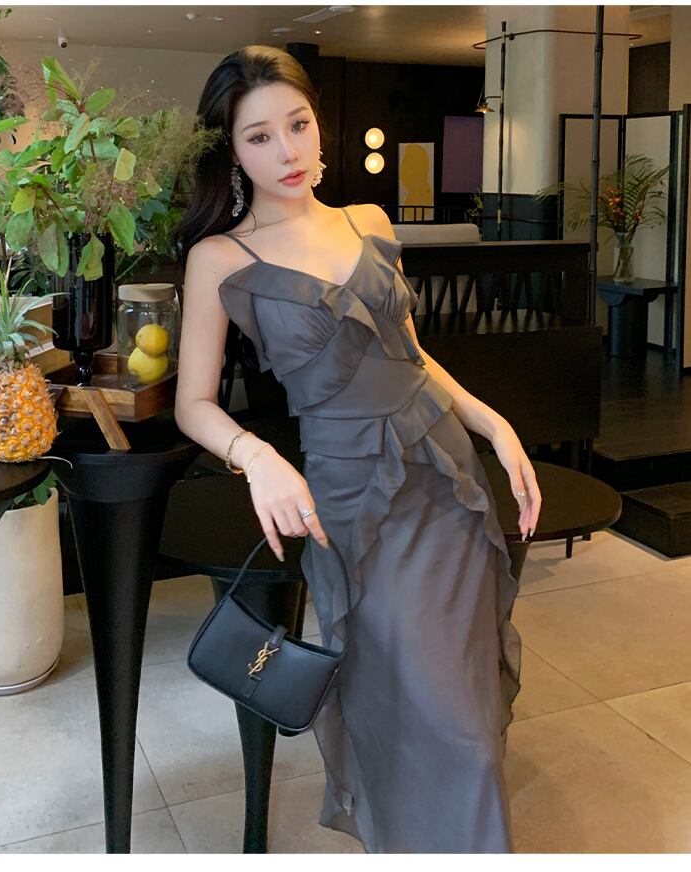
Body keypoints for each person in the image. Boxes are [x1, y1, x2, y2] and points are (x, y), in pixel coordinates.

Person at [173, 45, 541, 854]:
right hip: (352, 499)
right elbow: (191, 404)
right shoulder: (220, 258)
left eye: (298, 125)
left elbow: (412, 355)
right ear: (231, 151)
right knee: (399, 698)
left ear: (318, 124)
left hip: (445, 475)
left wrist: (493, 424)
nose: (287, 150)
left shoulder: (368, 221)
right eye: (260, 136)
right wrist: (258, 456)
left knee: (468, 713)